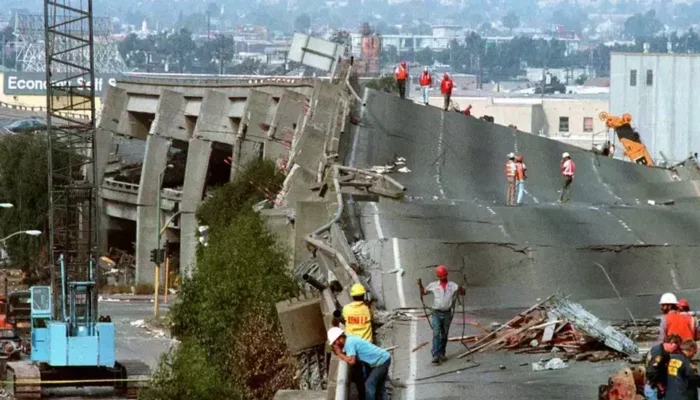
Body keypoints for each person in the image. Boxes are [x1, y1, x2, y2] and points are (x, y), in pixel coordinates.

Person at [417, 265, 465, 365]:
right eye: (440, 276)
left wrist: (461, 289)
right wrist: (420, 286)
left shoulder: (453, 286)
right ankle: (435, 354)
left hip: (447, 313)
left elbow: (462, 293)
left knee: (444, 334)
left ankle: (442, 352)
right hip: (436, 313)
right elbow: (423, 293)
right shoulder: (433, 285)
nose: (442, 278)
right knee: (436, 333)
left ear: (446, 275)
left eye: (443, 275)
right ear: (438, 276)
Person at [328, 327, 391, 400]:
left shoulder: (349, 343)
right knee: (379, 386)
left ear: (339, 339)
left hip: (381, 361)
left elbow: (352, 361)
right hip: (383, 358)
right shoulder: (349, 339)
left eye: (334, 342)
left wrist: (340, 354)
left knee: (369, 385)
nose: (335, 345)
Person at [341, 283, 373, 400]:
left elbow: (342, 319)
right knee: (369, 374)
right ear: (363, 295)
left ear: (352, 296)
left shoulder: (346, 309)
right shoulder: (367, 309)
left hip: (352, 347)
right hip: (366, 345)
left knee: (358, 375)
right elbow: (371, 319)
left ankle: (362, 396)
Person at [644, 334, 682, 400]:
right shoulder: (659, 354)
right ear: (672, 343)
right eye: (676, 346)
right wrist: (660, 385)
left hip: (655, 386)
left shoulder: (658, 349)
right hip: (654, 387)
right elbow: (652, 372)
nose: (676, 349)